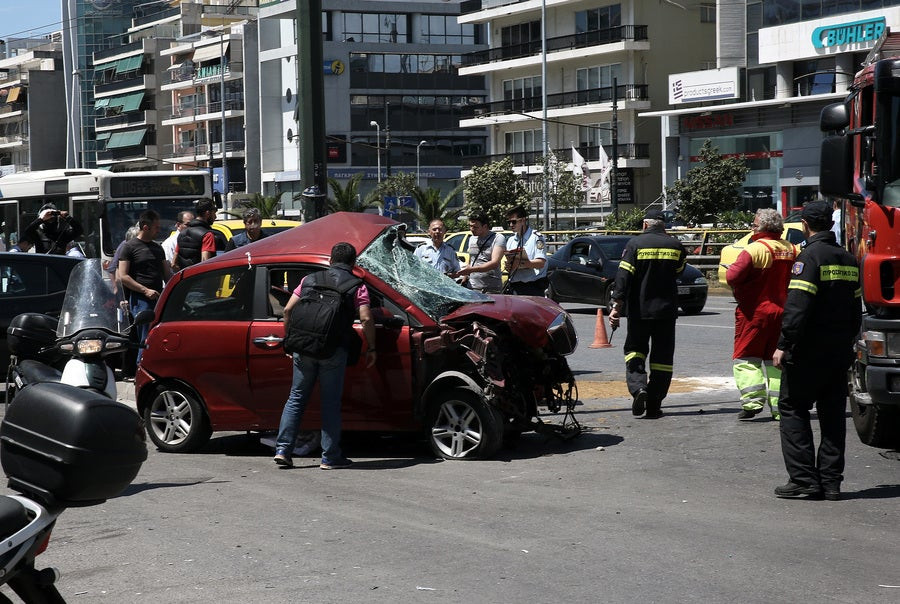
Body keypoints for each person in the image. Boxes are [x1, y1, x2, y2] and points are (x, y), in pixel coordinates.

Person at [772, 200, 861, 501]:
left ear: (805, 225)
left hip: (807, 351)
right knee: (833, 415)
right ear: (831, 224)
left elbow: (797, 307)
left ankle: (803, 480)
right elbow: (855, 310)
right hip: (838, 351)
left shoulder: (809, 257)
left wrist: (784, 344)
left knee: (792, 408)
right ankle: (831, 482)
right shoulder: (848, 259)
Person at [274, 242, 377, 470]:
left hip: (303, 347)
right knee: (330, 403)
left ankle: (282, 450)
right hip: (333, 349)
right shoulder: (357, 285)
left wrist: (290, 342)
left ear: (331, 260)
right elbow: (366, 318)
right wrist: (372, 347)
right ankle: (330, 457)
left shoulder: (309, 279)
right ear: (353, 263)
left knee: (296, 398)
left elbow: (288, 310)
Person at [607, 209, 686, 419]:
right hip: (666, 312)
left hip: (640, 311)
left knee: (635, 351)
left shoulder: (635, 244)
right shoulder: (676, 245)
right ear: (663, 225)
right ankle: (654, 403)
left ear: (644, 224)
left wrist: (616, 306)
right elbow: (679, 271)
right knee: (663, 359)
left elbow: (623, 277)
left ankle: (639, 388)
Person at [726, 209, 798, 421]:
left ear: (763, 227)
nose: (752, 227)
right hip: (784, 313)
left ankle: (752, 402)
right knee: (776, 360)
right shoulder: (793, 249)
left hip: (754, 314)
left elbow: (732, 277)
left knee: (746, 358)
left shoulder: (754, 250)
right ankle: (779, 408)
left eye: (754, 224)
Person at [117, 210, 172, 366]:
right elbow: (123, 276)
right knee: (146, 336)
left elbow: (167, 274)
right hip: (141, 300)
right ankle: (141, 366)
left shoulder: (158, 248)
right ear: (146, 227)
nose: (159, 230)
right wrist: (145, 290)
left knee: (158, 334)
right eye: (156, 227)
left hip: (158, 298)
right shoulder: (129, 247)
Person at [453, 213, 506, 293]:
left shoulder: (498, 238)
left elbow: (495, 263)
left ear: (485, 226)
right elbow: (471, 261)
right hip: (472, 287)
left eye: (475, 227)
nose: (472, 229)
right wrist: (465, 278)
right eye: (470, 226)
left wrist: (472, 270)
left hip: (491, 288)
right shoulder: (472, 239)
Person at [503, 205, 548, 296]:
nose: (511, 225)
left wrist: (520, 264)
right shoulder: (511, 240)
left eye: (514, 222)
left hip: (532, 287)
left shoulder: (536, 238)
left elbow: (541, 263)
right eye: (509, 222)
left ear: (523, 220)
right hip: (515, 287)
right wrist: (509, 266)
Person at [174, 199, 217, 269]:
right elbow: (205, 263)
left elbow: (173, 264)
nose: (215, 217)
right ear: (207, 213)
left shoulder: (181, 234)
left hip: (185, 275)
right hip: (200, 275)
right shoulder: (207, 235)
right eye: (214, 213)